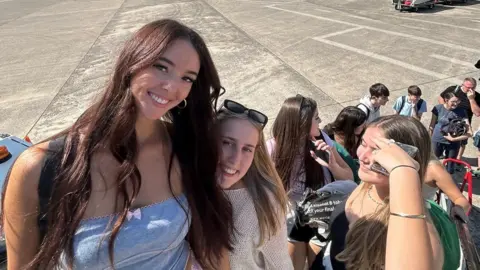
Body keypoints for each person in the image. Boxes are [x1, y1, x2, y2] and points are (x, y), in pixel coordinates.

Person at [0, 19, 234, 269]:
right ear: (132, 64)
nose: (172, 87)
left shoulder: (186, 149)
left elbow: (212, 244)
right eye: (162, 67)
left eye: (187, 78)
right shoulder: (40, 168)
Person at [292, 115, 460, 270]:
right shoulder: (368, 185)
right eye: (363, 144)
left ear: (406, 158)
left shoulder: (419, 228)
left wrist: (403, 171)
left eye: (377, 151)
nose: (363, 156)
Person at [267, 95, 353, 269]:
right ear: (302, 123)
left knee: (317, 263)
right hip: (291, 215)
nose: (320, 121)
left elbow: (349, 177)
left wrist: (332, 164)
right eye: (316, 118)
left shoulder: (322, 140)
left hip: (320, 212)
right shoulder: (273, 147)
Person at [215, 100, 293, 269]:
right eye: (227, 143)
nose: (235, 160)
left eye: (247, 149)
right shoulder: (184, 185)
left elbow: (280, 265)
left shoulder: (265, 201)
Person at [430, 91, 472, 174]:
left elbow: (470, 133)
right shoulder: (437, 108)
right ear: (446, 100)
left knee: (450, 166)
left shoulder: (462, 111)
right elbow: (432, 125)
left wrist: (454, 139)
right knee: (433, 162)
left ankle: (447, 181)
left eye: (457, 101)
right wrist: (429, 140)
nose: (456, 104)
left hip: (454, 143)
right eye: (453, 102)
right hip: (437, 140)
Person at [323, 106, 367, 183]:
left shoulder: (361, 136)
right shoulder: (327, 135)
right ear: (351, 127)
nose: (365, 127)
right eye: (362, 126)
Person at [438, 78, 479, 160]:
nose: (470, 89)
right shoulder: (453, 90)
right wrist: (446, 110)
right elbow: (441, 97)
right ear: (462, 85)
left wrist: (471, 99)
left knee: (462, 143)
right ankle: (442, 154)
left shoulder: (476, 96)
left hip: (463, 123)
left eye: (473, 87)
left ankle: (458, 159)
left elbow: (477, 113)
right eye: (468, 87)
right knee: (444, 137)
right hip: (449, 120)